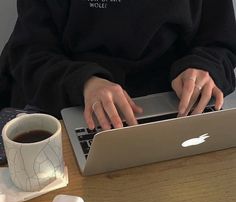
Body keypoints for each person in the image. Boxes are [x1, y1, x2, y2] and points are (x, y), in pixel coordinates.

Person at [0, 0, 236, 130]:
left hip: (174, 108)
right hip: (73, 106)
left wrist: (203, 67)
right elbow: (28, 53)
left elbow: (220, 43)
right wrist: (85, 82)